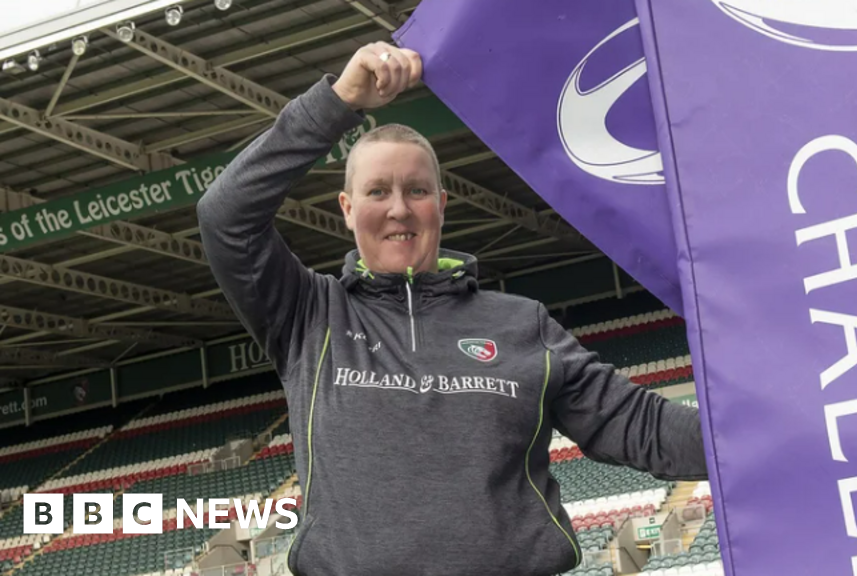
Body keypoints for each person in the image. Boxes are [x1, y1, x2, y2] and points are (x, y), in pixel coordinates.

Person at [197, 41, 708, 576]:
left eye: (416, 190)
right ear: (347, 210)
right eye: (377, 191)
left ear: (441, 203)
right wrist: (339, 100)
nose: (398, 208)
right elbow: (225, 217)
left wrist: (765, 432)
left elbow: (636, 425)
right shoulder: (309, 314)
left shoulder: (522, 324)